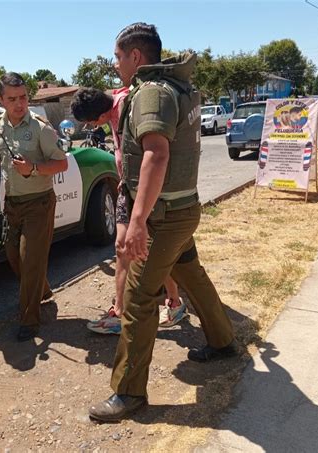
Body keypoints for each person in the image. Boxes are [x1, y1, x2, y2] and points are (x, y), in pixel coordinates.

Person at [88, 23, 237, 422]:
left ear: (136, 56)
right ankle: (224, 342)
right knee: (192, 276)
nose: (115, 65)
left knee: (138, 299)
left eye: (118, 57)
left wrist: (136, 222)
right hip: (181, 209)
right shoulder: (178, 86)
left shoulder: (152, 91)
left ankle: (129, 393)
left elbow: (156, 155)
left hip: (163, 217)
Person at [71, 87, 187, 334]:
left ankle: (171, 302)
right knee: (123, 249)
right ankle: (122, 310)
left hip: (142, 193)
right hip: (127, 189)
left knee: (147, 251)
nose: (92, 127)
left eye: (91, 122)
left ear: (100, 115)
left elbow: (153, 153)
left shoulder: (126, 106)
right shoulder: (114, 105)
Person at [0, 72, 68, 342]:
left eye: (23, 97)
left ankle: (29, 321)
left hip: (39, 202)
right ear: (0, 99)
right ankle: (42, 291)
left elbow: (61, 163)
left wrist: (33, 169)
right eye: (12, 99)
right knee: (14, 256)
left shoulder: (39, 127)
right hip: (12, 203)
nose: (19, 104)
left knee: (30, 258)